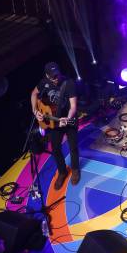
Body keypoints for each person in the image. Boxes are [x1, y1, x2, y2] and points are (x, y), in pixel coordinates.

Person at [31, 62, 80, 190]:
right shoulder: (44, 83)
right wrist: (35, 111)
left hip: (69, 120)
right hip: (53, 122)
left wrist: (68, 118)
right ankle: (62, 172)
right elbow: (33, 94)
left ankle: (75, 170)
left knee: (73, 146)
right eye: (53, 76)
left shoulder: (68, 83)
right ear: (47, 75)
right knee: (55, 149)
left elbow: (73, 106)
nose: (56, 78)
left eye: (57, 75)